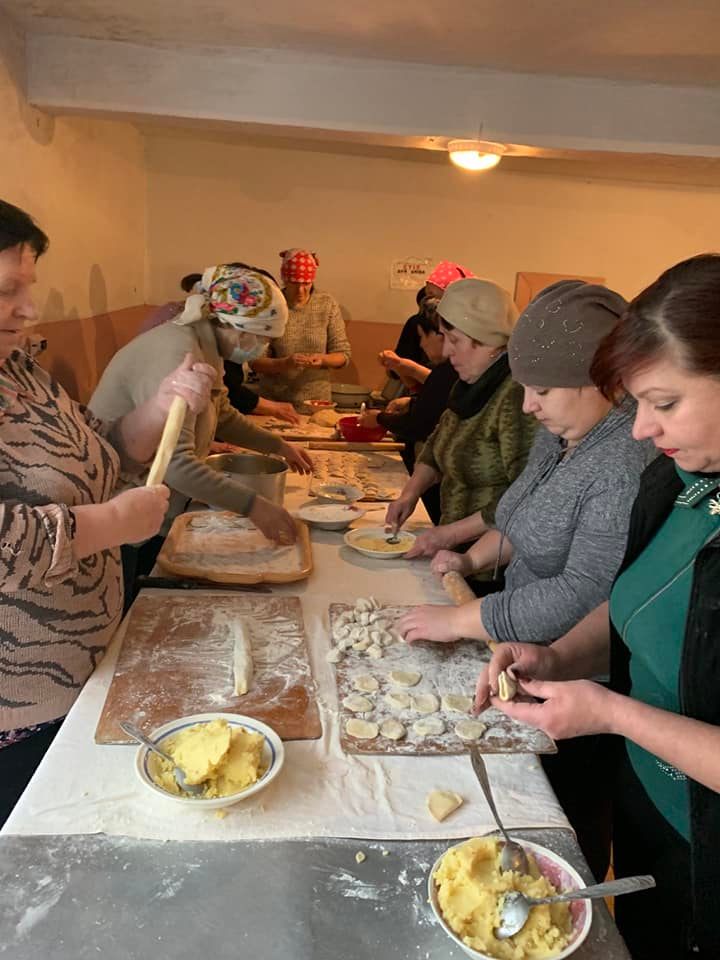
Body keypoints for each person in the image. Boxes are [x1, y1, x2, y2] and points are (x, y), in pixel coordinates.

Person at [474, 254, 720, 959]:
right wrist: (552, 655)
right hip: (651, 813)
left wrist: (611, 712)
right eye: (635, 403)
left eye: (664, 403)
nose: (641, 430)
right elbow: (626, 614)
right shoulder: (679, 485)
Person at [0, 200, 214, 824]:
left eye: (29, 287)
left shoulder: (20, 369)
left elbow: (100, 446)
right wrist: (118, 524)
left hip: (82, 665)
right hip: (19, 700)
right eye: (9, 290)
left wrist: (161, 405)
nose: (30, 308)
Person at [398, 280, 655, 645]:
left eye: (543, 391)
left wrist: (459, 621)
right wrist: (469, 561)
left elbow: (583, 592)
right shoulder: (560, 434)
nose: (527, 406)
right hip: (520, 640)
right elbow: (523, 518)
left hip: (569, 666)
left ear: (602, 382)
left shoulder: (621, 467)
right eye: (525, 389)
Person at [90, 264, 313, 594]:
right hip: (120, 511)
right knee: (129, 604)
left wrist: (276, 445)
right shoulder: (176, 352)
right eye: (262, 339)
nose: (262, 349)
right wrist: (254, 506)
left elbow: (221, 412)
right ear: (235, 327)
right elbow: (175, 463)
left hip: (152, 504)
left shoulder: (207, 346)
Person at [385, 278, 536, 592]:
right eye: (444, 337)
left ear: (488, 341)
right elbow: (438, 445)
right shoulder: (468, 383)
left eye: (455, 339)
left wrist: (451, 534)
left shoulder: (515, 396)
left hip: (493, 569)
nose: (445, 349)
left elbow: (525, 494)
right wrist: (410, 493)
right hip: (456, 559)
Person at [359, 298, 458, 522]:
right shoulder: (449, 372)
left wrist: (381, 419)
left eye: (422, 337)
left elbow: (420, 425)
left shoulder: (452, 371)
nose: (421, 345)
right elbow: (438, 408)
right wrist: (412, 400)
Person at [252, 249, 351, 405]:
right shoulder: (272, 306)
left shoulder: (326, 304)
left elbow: (343, 355)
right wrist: (285, 363)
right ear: (284, 279)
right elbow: (256, 361)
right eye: (294, 284)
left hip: (316, 402)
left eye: (306, 284)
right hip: (275, 402)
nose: (300, 290)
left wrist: (322, 359)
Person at [387, 260, 475, 373]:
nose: (422, 344)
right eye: (427, 293)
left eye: (432, 295)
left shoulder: (467, 333)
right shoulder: (420, 322)